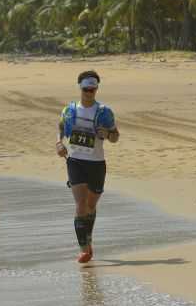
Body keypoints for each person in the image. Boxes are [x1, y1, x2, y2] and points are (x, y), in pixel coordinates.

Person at [56, 70, 119, 263]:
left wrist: (107, 133)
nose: (89, 92)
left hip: (97, 163)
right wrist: (59, 142)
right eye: (86, 89)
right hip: (75, 161)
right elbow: (60, 127)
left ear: (97, 89)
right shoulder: (69, 110)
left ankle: (88, 238)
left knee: (91, 206)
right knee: (80, 204)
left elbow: (116, 137)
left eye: (92, 89)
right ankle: (84, 249)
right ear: (80, 89)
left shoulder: (104, 112)